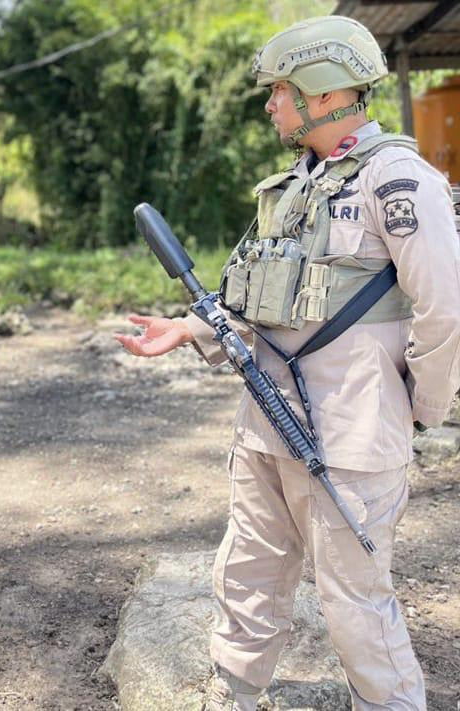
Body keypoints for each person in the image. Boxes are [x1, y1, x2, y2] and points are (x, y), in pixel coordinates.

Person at [116, 16, 460, 711]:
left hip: (351, 437)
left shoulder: (398, 181)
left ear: (319, 90)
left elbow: (444, 310)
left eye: (278, 91)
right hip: (267, 426)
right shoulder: (296, 185)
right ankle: (234, 693)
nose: (270, 105)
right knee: (246, 575)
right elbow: (260, 300)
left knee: (355, 603)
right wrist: (188, 329)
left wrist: (420, 409)